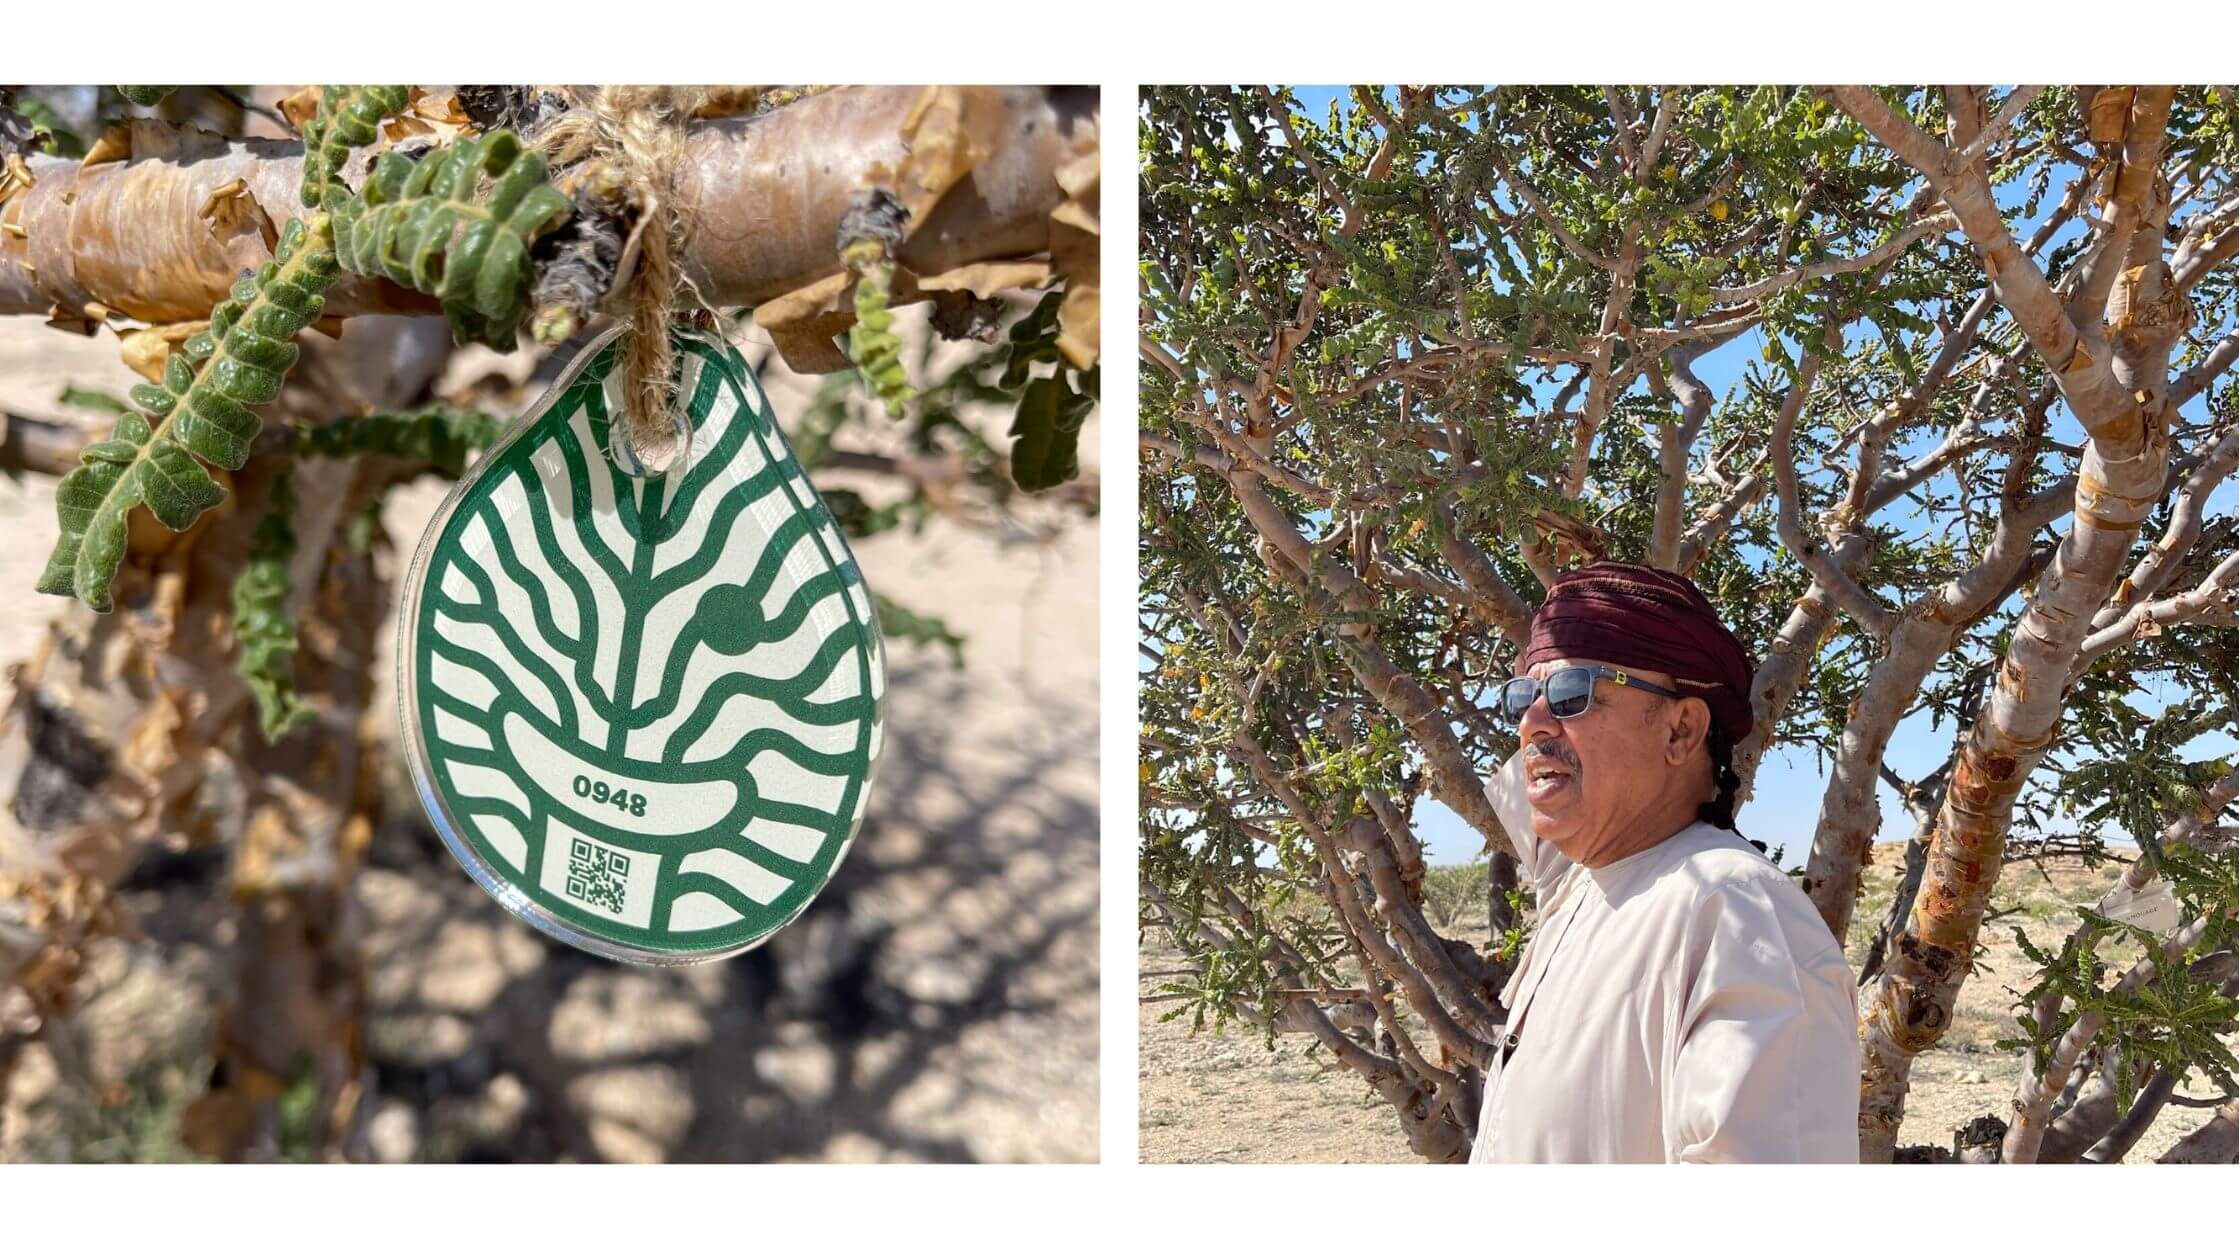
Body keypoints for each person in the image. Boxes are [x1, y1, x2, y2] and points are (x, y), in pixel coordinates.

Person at [1467, 561, 1859, 1163]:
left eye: (1573, 692)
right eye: (1523, 695)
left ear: (1681, 731)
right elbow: (1532, 793)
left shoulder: (1739, 916)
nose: (1532, 723)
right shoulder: (1584, 885)